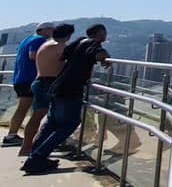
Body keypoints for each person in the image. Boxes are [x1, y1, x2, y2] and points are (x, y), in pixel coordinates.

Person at [22, 23, 110, 174]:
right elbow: (96, 53)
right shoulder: (93, 43)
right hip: (70, 90)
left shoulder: (78, 41)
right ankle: (37, 157)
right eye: (104, 32)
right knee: (70, 123)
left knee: (52, 124)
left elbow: (66, 54)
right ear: (100, 34)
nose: (105, 35)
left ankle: (34, 156)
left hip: (57, 86)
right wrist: (105, 57)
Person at [18, 23, 75, 156]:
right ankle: (38, 148)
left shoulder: (46, 45)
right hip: (49, 83)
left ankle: (27, 147)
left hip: (39, 81)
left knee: (38, 116)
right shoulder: (59, 47)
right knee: (55, 117)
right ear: (68, 35)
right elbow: (70, 65)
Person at [2, 22, 55, 147]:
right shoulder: (40, 40)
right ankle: (25, 139)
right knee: (37, 110)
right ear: (44, 30)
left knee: (22, 108)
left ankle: (12, 135)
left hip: (20, 78)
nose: (53, 33)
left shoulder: (27, 39)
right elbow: (33, 55)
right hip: (30, 79)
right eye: (52, 30)